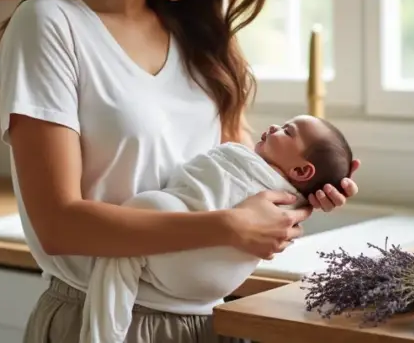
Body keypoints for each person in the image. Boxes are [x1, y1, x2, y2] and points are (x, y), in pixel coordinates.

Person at [0, 0, 361, 343]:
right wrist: (227, 228)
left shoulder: (201, 39)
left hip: (210, 323)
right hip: (103, 321)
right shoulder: (52, 26)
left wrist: (300, 195)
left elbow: (239, 181)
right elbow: (58, 223)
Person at [81, 115, 353, 343]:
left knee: (144, 207)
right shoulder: (278, 192)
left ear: (302, 172)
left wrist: (311, 202)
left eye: (287, 131)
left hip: (194, 267)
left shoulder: (274, 192)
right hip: (206, 285)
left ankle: (104, 331)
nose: (273, 127)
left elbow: (208, 187)